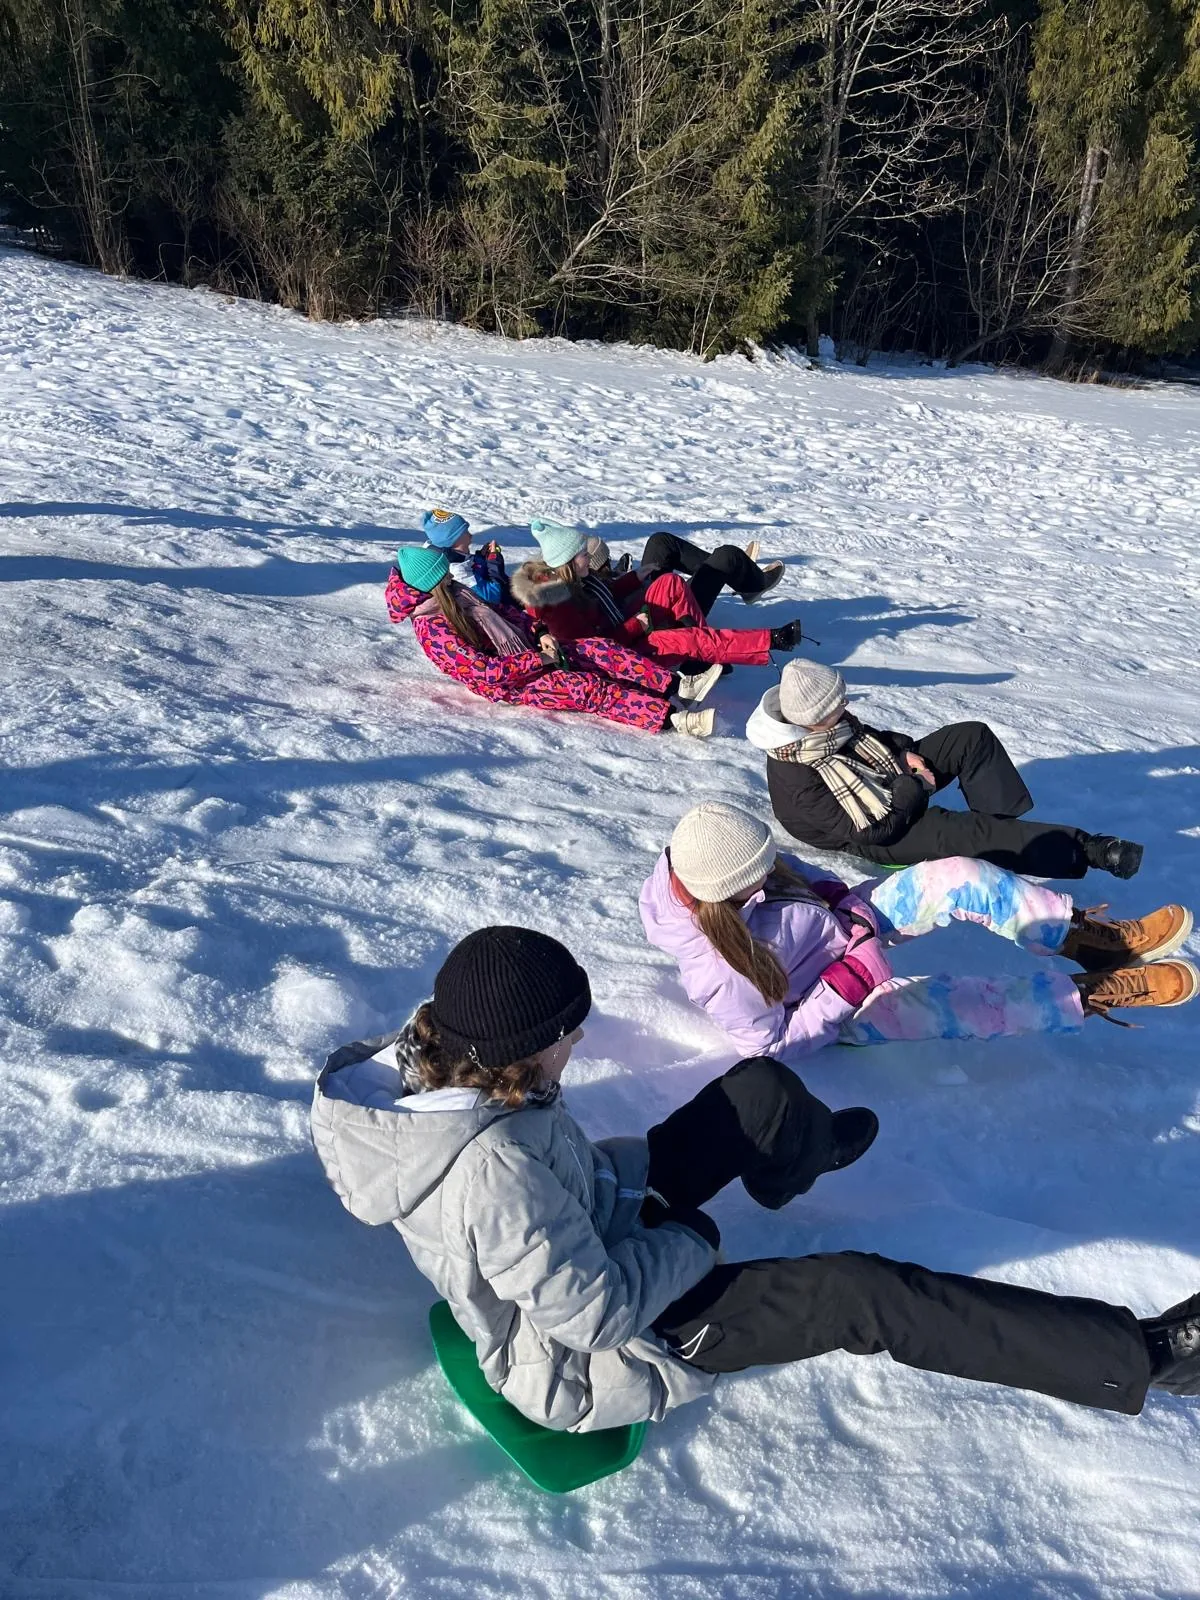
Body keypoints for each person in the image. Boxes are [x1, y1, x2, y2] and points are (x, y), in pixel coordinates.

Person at [311, 924, 1200, 1437]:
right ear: (517, 1052)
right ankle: (1146, 1357)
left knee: (758, 1092)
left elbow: (544, 1192)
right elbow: (595, 1314)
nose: (579, 1043)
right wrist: (689, 1239)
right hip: (596, 1353)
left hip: (594, 1219)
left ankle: (796, 1157)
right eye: (566, 1035)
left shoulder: (448, 1059)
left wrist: (635, 1195)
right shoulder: (492, 1170)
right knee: (861, 1294)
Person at [640, 802, 1196, 1060]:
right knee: (960, 1004)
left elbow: (793, 871)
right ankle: (1092, 993)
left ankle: (1087, 942)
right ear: (732, 890)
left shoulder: (717, 854)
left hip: (847, 927)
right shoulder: (720, 970)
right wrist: (851, 980)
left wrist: (840, 901)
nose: (774, 867)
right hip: (838, 1004)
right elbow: (767, 1047)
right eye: (762, 870)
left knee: (959, 876)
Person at [747, 660, 1145, 880]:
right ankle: (1091, 850)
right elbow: (875, 830)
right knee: (963, 832)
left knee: (970, 737)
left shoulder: (825, 725)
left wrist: (903, 754)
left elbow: (871, 739)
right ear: (813, 718)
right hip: (871, 831)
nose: (847, 704)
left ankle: (1003, 838)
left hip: (887, 785)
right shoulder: (798, 778)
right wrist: (915, 786)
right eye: (839, 702)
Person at [386, 545, 718, 737]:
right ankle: (673, 721)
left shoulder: (458, 595)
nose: (451, 576)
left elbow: (508, 614)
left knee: (600, 649)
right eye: (443, 575)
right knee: (586, 688)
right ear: (431, 585)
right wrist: (539, 660)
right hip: (513, 682)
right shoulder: (433, 630)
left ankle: (677, 687)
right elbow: (482, 672)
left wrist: (540, 633)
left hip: (532, 651)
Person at [510, 519, 804, 670]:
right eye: (584, 554)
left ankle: (703, 656)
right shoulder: (562, 606)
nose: (590, 558)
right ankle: (769, 639)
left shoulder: (577, 582)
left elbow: (604, 596)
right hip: (624, 653)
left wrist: (633, 579)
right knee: (686, 639)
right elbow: (597, 649)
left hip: (625, 628)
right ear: (568, 562)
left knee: (670, 583)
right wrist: (637, 625)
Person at [421, 508, 509, 606]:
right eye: (465, 532)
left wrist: (481, 558)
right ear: (453, 540)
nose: (470, 535)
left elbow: (471, 568)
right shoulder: (457, 571)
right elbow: (493, 596)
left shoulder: (449, 557)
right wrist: (494, 564)